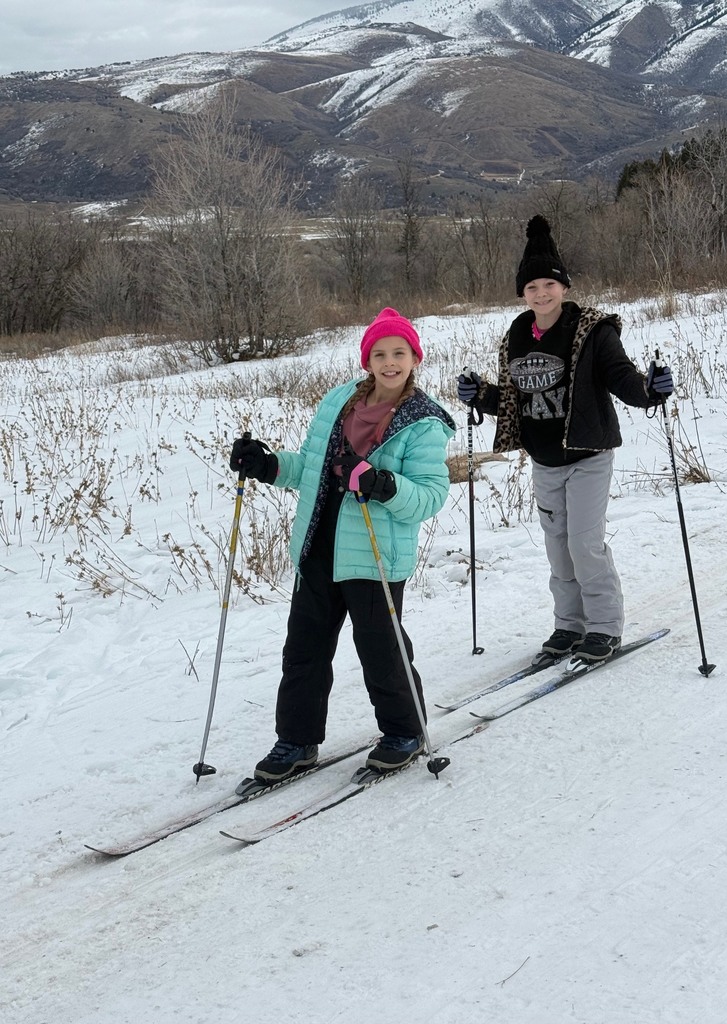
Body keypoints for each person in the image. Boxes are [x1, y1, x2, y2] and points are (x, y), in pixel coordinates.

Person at [230, 308, 456, 782]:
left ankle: (405, 732)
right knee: (303, 649)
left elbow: (430, 497)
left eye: (399, 353)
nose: (390, 363)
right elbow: (310, 468)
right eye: (380, 354)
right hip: (318, 544)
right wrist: (267, 465)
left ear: (415, 358)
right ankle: (296, 741)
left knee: (381, 649)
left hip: (374, 553)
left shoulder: (424, 422)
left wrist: (381, 484)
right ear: (366, 360)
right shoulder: (339, 401)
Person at [457, 215, 674, 664]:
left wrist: (649, 390)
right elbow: (516, 398)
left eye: (549, 285)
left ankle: (604, 628)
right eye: (532, 287)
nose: (541, 293)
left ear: (564, 286)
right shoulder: (517, 335)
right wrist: (481, 394)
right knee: (558, 548)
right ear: (523, 293)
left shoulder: (592, 331)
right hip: (544, 460)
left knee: (584, 544)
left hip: (588, 455)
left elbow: (621, 378)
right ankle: (569, 625)